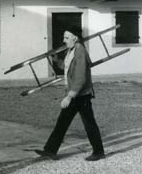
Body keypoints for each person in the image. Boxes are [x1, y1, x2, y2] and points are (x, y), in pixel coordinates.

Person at [35, 28, 105, 161]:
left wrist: (69, 96)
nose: (63, 40)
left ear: (75, 38)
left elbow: (80, 78)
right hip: (75, 94)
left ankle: (99, 151)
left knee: (89, 123)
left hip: (81, 95)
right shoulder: (71, 50)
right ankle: (50, 150)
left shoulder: (80, 51)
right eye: (64, 37)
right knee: (62, 122)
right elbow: (68, 68)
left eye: (66, 38)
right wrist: (57, 61)